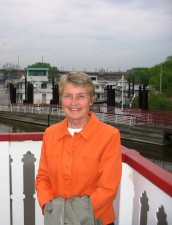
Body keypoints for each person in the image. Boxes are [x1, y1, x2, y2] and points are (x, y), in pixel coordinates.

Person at [35, 72, 122, 225]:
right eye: (68, 96)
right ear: (61, 99)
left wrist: (70, 215)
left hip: (96, 219)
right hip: (57, 219)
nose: (73, 102)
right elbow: (43, 178)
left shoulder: (109, 136)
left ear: (91, 100)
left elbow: (108, 188)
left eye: (81, 96)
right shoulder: (50, 134)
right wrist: (50, 207)